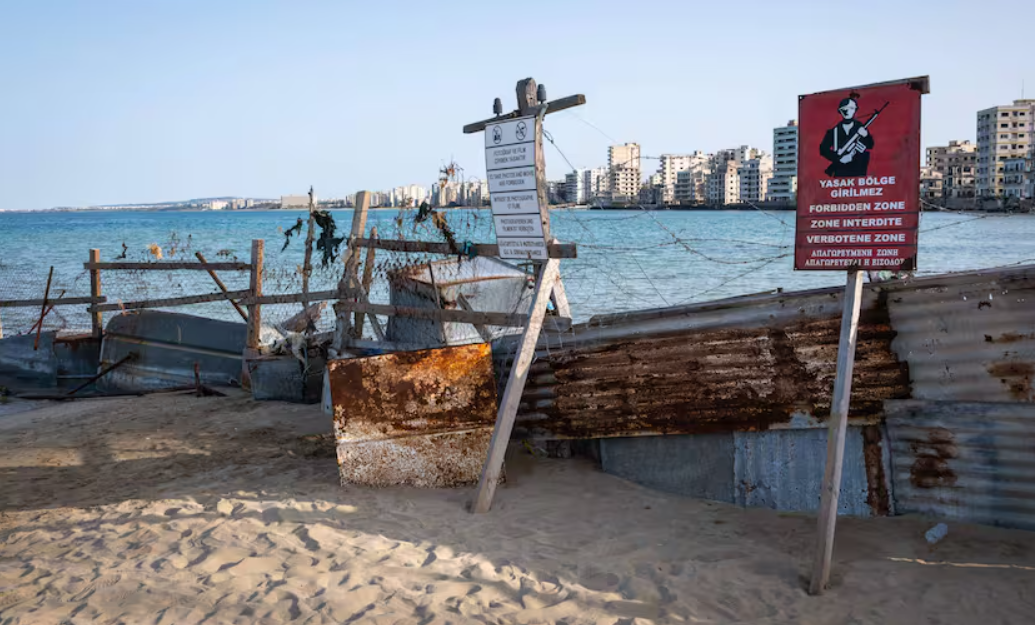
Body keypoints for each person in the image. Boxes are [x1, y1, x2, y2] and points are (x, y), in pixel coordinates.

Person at [819, 95, 875, 177]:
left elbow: (870, 145)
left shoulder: (861, 128)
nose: (848, 111)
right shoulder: (834, 131)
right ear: (840, 111)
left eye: (851, 108)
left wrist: (866, 136)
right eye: (845, 109)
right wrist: (839, 159)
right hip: (840, 174)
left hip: (859, 172)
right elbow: (823, 149)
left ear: (855, 110)